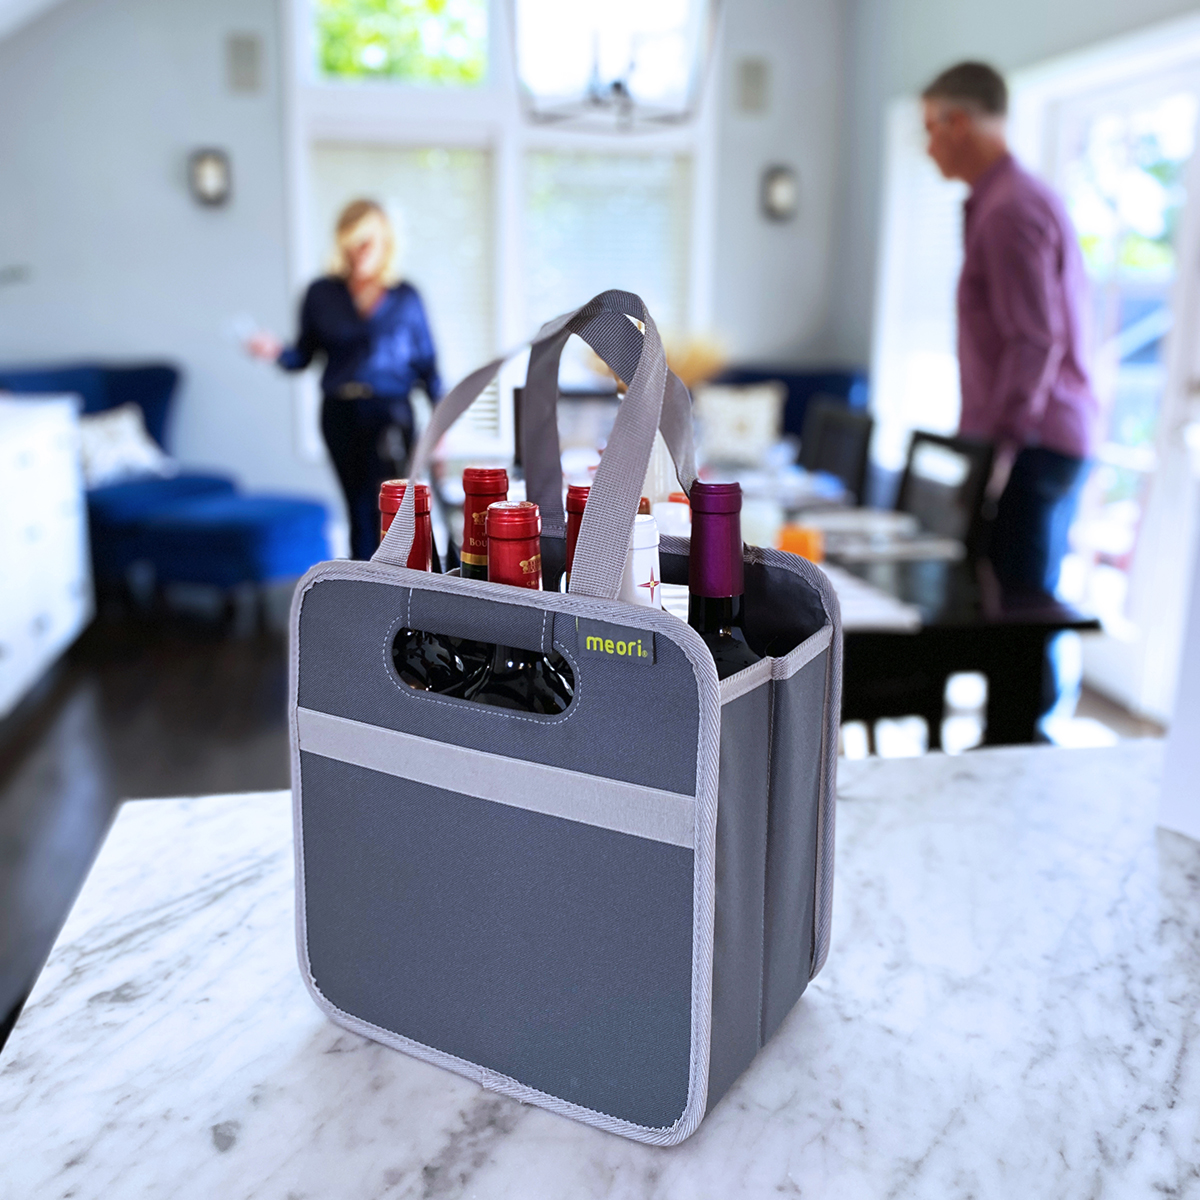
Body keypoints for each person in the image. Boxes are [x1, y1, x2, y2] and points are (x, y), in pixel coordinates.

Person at [921, 61, 1100, 596]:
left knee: (1017, 624)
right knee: (1007, 613)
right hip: (1033, 441)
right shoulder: (1005, 200)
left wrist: (997, 452)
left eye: (929, 128)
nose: (926, 146)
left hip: (1031, 445)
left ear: (958, 124)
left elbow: (1035, 340)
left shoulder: (1009, 210)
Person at [247, 199, 441, 561]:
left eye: (367, 240)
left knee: (390, 507)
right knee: (356, 508)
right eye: (352, 241)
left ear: (385, 241)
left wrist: (441, 431)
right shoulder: (320, 294)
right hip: (339, 414)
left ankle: (401, 590)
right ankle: (364, 596)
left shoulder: (406, 297)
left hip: (390, 413)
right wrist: (275, 351)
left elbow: (429, 367)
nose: (359, 250)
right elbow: (303, 357)